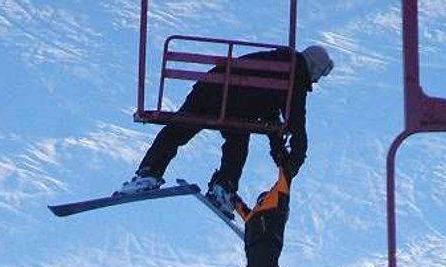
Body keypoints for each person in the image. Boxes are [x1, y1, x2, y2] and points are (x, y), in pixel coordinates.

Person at [120, 44, 334, 216]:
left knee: (176, 131)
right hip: (238, 108)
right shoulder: (295, 75)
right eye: (320, 74)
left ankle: (149, 173)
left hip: (212, 88)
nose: (316, 80)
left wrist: (278, 150)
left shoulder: (275, 61)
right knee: (238, 139)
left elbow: (270, 113)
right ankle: (224, 186)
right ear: (314, 66)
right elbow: (294, 121)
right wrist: (292, 159)